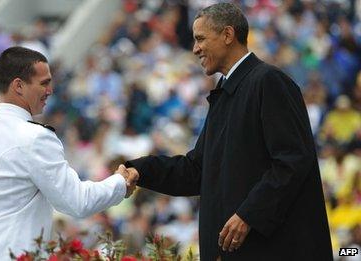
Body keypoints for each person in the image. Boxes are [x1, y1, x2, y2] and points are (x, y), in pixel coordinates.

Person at [123, 3, 332, 260]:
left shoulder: (268, 81)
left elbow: (292, 161)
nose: (195, 48)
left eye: (200, 39)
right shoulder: (226, 93)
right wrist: (141, 170)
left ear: (227, 34)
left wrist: (249, 214)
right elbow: (197, 170)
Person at [0, 46, 138, 260]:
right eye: (44, 83)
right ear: (18, 86)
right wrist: (120, 183)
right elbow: (76, 201)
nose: (50, 90)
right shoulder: (35, 138)